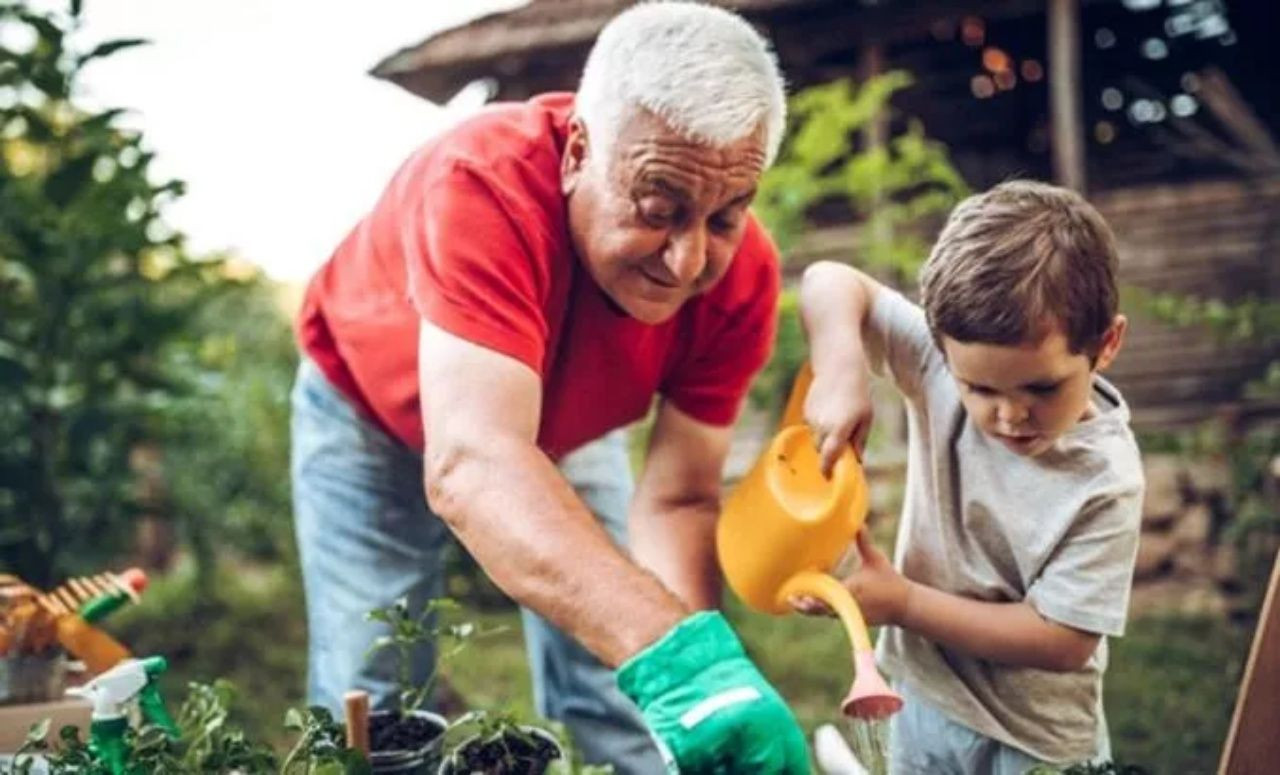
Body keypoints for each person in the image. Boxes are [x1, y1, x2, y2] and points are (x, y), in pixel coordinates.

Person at [291, 2, 807, 772]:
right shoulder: (482, 185)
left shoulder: (740, 282)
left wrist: (708, 684)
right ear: (577, 152)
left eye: (726, 216)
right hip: (369, 410)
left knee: (624, 684)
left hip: (565, 427)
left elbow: (679, 498)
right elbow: (475, 463)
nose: (687, 260)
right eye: (659, 209)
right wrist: (677, 657)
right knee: (377, 691)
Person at [796, 180, 1145, 773]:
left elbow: (1062, 641)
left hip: (1035, 742)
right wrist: (840, 367)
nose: (1009, 415)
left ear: (1106, 343)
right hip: (923, 701)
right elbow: (829, 279)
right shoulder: (935, 362)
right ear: (941, 347)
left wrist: (904, 603)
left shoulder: (1105, 478)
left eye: (1042, 387)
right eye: (979, 388)